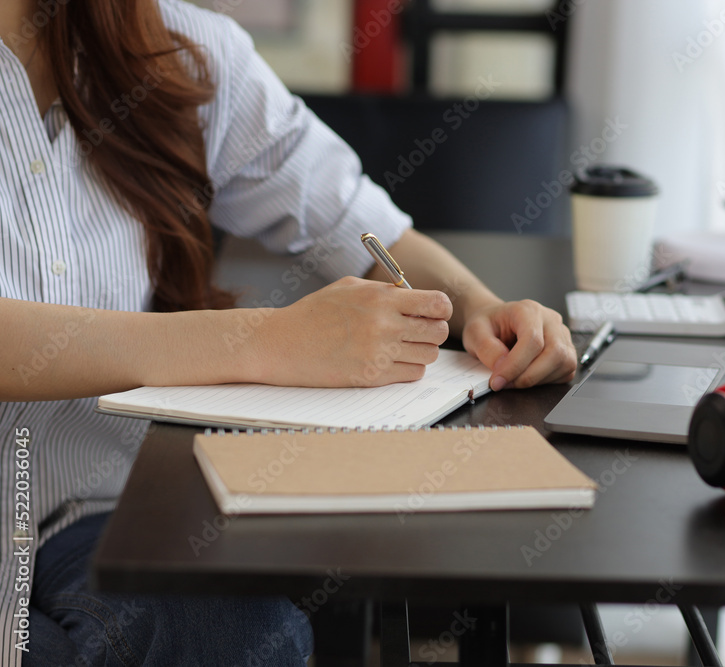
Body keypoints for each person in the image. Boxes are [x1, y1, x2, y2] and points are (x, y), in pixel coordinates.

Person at [0, 0, 577, 663]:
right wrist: (267, 340)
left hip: (95, 511)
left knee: (246, 637)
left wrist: (478, 305)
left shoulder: (180, 49)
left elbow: (356, 221)